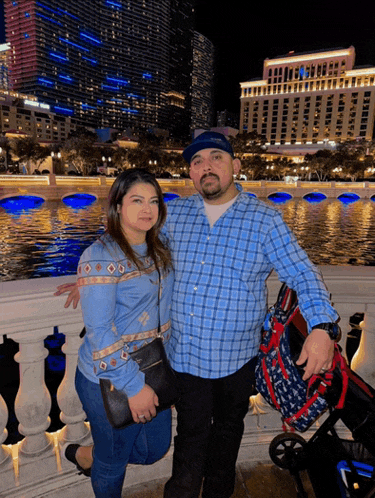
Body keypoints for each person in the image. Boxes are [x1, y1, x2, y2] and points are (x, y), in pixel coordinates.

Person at [56, 132, 339, 498]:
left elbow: (303, 273)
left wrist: (322, 325)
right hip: (182, 358)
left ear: (235, 167)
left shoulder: (265, 220)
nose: (206, 167)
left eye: (216, 158)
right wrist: (93, 280)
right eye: (197, 161)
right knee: (188, 441)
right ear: (190, 172)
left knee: (226, 438)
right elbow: (135, 243)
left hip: (236, 360)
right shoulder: (176, 215)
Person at [61, 169, 174, 498]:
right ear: (117, 205)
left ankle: (89, 455)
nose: (147, 208)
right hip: (108, 377)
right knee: (113, 463)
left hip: (152, 365)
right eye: (137, 200)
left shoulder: (158, 246)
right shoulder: (100, 256)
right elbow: (99, 333)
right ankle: (98, 458)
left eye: (153, 201)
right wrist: (134, 387)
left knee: (154, 450)